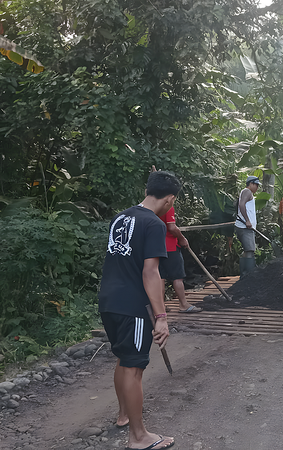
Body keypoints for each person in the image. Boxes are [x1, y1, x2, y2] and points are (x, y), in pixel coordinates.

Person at [98, 170, 180, 450]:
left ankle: (124, 415)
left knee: (124, 359)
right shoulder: (154, 224)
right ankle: (138, 437)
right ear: (169, 199)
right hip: (133, 306)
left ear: (147, 191)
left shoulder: (121, 217)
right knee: (134, 367)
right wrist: (161, 317)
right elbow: (150, 273)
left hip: (109, 300)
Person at [158, 206, 201, 313]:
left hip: (156, 246)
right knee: (177, 277)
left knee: (160, 277)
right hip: (170, 247)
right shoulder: (167, 207)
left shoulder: (151, 207)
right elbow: (172, 227)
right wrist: (182, 238)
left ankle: (160, 306)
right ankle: (183, 304)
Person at [235, 175, 261, 277]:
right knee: (250, 250)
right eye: (256, 185)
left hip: (245, 227)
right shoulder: (247, 192)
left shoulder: (246, 192)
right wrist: (247, 220)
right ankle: (249, 276)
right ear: (250, 184)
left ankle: (244, 276)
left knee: (247, 250)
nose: (257, 187)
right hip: (245, 227)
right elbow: (241, 204)